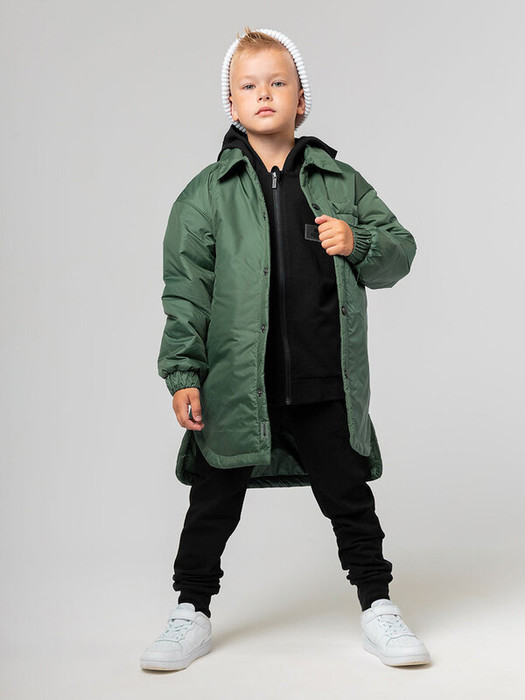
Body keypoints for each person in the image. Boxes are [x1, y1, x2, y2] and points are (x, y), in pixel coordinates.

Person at [140, 26, 430, 672]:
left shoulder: (339, 181)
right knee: (211, 503)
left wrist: (357, 241)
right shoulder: (205, 195)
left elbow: (399, 252)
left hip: (323, 379)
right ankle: (190, 612)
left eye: (278, 82)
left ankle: (378, 605)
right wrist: (183, 374)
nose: (264, 93)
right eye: (248, 85)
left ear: (302, 100)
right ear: (231, 103)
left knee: (349, 499)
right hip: (235, 387)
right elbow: (184, 293)